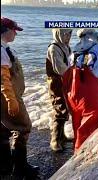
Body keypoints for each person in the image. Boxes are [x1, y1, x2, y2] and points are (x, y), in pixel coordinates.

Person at [62, 29, 98, 153]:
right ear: (93, 37)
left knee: (77, 125)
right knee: (90, 129)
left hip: (74, 96)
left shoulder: (74, 51)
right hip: (93, 97)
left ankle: (76, 150)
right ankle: (84, 157)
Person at [0, 17, 39, 179]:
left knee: (2, 131)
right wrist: (11, 100)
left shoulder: (4, 47)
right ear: (6, 31)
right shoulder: (1, 50)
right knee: (23, 128)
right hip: (8, 97)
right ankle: (20, 168)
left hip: (6, 97)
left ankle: (5, 167)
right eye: (14, 30)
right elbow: (3, 78)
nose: (15, 33)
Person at [46, 28, 73, 152]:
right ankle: (55, 139)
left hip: (65, 81)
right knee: (59, 107)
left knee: (65, 107)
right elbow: (59, 69)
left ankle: (62, 135)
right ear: (59, 34)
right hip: (56, 82)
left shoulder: (66, 47)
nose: (68, 36)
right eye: (66, 34)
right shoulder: (54, 48)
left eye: (69, 34)